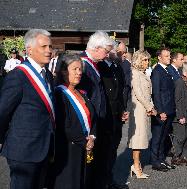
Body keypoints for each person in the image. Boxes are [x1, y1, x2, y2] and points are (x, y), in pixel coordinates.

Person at [0, 29, 55, 189]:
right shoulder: (18, 76)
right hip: (23, 150)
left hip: (44, 147)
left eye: (50, 47)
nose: (49, 51)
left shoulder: (48, 75)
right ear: (29, 50)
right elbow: (3, 111)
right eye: (44, 46)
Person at [49, 54, 96, 189]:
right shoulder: (59, 94)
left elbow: (93, 119)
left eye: (80, 69)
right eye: (75, 69)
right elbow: (65, 126)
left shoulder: (82, 93)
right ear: (64, 71)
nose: (79, 73)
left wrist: (92, 137)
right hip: (68, 151)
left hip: (85, 147)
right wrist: (85, 142)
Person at [78, 30, 113, 188]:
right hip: (88, 124)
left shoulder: (93, 64)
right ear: (97, 47)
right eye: (106, 51)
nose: (107, 55)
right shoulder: (82, 65)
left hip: (97, 121)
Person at [97, 44, 129, 189]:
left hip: (117, 115)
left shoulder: (117, 68)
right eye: (117, 51)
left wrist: (123, 110)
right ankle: (102, 182)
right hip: (106, 116)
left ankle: (110, 180)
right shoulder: (100, 67)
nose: (120, 53)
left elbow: (121, 92)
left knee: (113, 148)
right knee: (104, 151)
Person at [128, 50, 157, 179]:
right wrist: (150, 107)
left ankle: (136, 165)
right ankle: (135, 165)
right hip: (138, 110)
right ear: (138, 60)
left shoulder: (142, 73)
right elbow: (139, 94)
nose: (147, 62)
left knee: (140, 137)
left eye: (148, 60)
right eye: (144, 60)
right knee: (138, 138)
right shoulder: (134, 73)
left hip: (143, 109)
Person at [150, 47, 176, 172]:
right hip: (162, 110)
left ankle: (161, 159)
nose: (169, 58)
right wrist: (160, 111)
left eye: (169, 56)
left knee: (163, 137)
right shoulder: (157, 71)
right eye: (166, 56)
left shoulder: (167, 70)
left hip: (169, 109)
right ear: (159, 57)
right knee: (157, 137)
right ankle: (155, 161)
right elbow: (156, 93)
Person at [171, 63, 187, 166]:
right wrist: (180, 116)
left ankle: (186, 156)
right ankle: (176, 156)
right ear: (185, 73)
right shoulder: (180, 82)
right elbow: (177, 100)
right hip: (181, 114)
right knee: (180, 137)